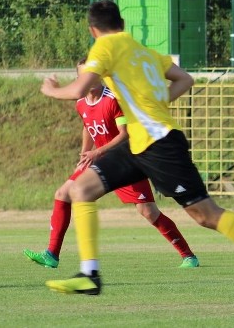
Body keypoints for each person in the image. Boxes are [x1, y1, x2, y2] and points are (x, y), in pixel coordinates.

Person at [39, 0, 234, 304]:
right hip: (139, 142)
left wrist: (51, 89)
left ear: (93, 30)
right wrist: (157, 103)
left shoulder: (105, 46)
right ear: (122, 24)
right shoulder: (145, 53)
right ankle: (89, 275)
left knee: (206, 216)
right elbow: (185, 79)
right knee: (80, 189)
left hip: (160, 144)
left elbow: (79, 90)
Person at [25, 58, 199, 269]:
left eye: (94, 73)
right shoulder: (80, 103)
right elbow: (88, 127)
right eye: (85, 75)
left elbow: (125, 134)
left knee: (148, 212)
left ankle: (188, 255)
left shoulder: (112, 99)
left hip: (125, 161)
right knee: (63, 193)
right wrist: (84, 154)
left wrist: (97, 152)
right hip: (98, 162)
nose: (91, 78)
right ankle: (52, 254)